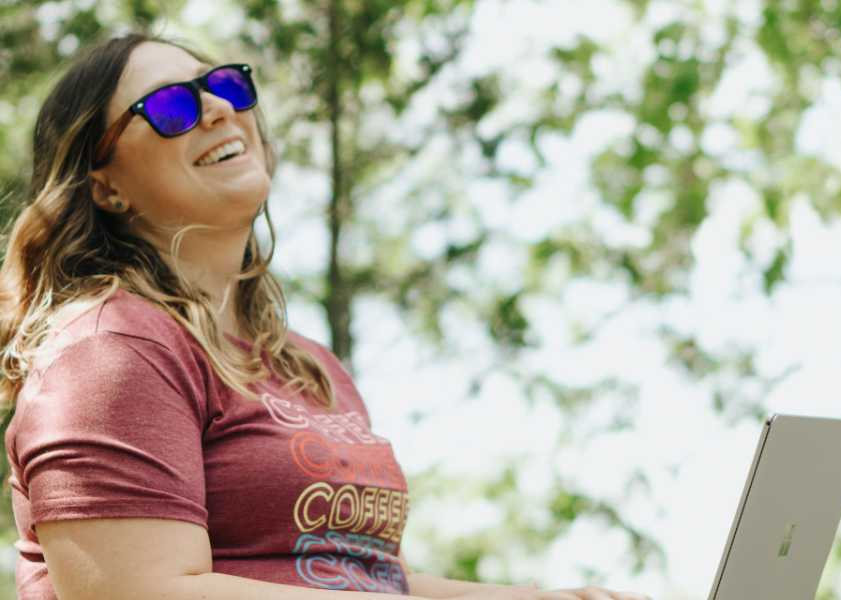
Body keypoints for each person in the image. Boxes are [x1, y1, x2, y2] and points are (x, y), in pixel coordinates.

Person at [0, 32, 653, 600]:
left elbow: (368, 577)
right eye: (172, 106)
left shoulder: (309, 368)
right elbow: (140, 591)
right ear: (105, 186)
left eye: (226, 84)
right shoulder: (110, 347)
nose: (220, 108)